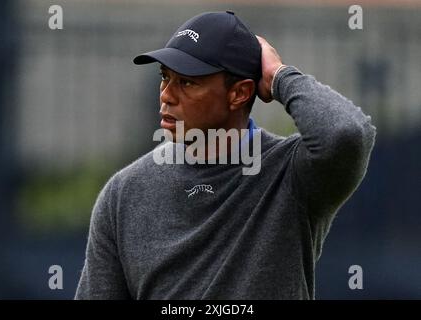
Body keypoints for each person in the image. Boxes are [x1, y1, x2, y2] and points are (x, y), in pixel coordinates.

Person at [75, 11, 376, 299]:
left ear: (239, 93)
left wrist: (279, 76)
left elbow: (345, 134)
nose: (166, 94)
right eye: (164, 77)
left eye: (187, 82)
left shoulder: (291, 175)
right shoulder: (123, 194)